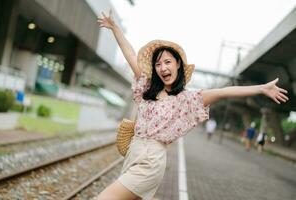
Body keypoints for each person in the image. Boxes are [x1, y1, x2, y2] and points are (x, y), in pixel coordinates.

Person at [96, 11, 289, 200]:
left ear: (178, 64)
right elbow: (130, 54)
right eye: (158, 64)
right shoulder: (147, 87)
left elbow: (223, 92)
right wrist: (115, 28)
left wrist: (262, 88)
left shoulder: (186, 99)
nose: (163, 67)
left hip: (150, 160)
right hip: (132, 153)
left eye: (167, 62)